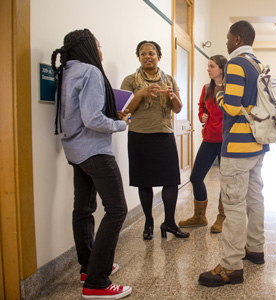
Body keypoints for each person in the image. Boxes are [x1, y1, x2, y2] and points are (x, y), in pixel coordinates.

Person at [51, 29, 132, 299]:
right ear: (88, 47)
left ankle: (88, 267)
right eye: (98, 45)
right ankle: (97, 282)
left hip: (74, 150)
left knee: (83, 209)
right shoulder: (90, 72)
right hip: (95, 151)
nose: (101, 50)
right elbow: (93, 120)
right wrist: (121, 124)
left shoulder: (67, 72)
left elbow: (79, 113)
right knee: (118, 209)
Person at [198, 20, 270, 287]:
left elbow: (230, 107)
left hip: (238, 147)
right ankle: (255, 248)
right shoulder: (258, 64)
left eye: (228, 37)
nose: (226, 42)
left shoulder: (236, 64)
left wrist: (218, 92)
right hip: (258, 144)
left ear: (238, 39)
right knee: (254, 198)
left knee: (233, 205)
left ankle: (231, 266)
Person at [120, 40, 189, 240]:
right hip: (139, 136)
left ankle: (169, 222)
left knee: (171, 181)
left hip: (164, 134)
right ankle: (149, 222)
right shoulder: (130, 80)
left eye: (151, 53)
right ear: (139, 57)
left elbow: (177, 108)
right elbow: (125, 110)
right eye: (143, 53)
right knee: (144, 181)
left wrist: (172, 96)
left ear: (159, 57)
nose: (147, 56)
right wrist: (140, 93)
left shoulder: (169, 80)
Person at [179, 55, 228, 233]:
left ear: (222, 69)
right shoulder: (207, 88)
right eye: (208, 66)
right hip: (208, 139)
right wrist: (202, 116)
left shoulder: (231, 88)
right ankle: (200, 217)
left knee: (226, 181)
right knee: (195, 177)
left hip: (225, 141)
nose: (208, 69)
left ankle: (222, 217)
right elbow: (201, 107)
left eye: (212, 66)